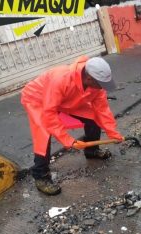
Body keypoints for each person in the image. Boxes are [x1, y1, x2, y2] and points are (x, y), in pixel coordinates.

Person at [21, 56, 124, 195]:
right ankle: (41, 176)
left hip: (65, 99)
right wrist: (68, 140)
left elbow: (102, 109)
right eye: (101, 84)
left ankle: (92, 151)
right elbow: (49, 113)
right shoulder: (61, 79)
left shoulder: (95, 85)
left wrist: (113, 132)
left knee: (93, 117)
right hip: (37, 98)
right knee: (43, 134)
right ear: (89, 79)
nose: (103, 88)